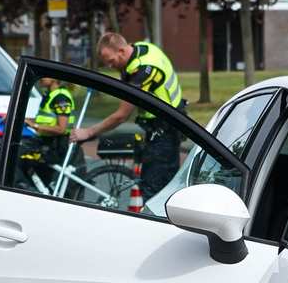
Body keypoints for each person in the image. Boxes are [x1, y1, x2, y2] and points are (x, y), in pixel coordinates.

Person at [70, 33, 183, 200]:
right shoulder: (140, 50)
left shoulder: (143, 70)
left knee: (153, 189)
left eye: (111, 61)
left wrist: (89, 132)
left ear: (122, 51)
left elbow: (121, 115)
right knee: (160, 184)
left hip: (166, 128)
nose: (110, 66)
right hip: (161, 125)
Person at [18, 77, 78, 195]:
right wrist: (19, 118)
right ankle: (39, 190)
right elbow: (44, 120)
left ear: (55, 79)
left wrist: (35, 126)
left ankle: (31, 191)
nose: (41, 78)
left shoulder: (61, 98)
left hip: (57, 145)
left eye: (45, 75)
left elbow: (62, 129)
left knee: (20, 156)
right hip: (46, 141)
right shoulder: (50, 95)